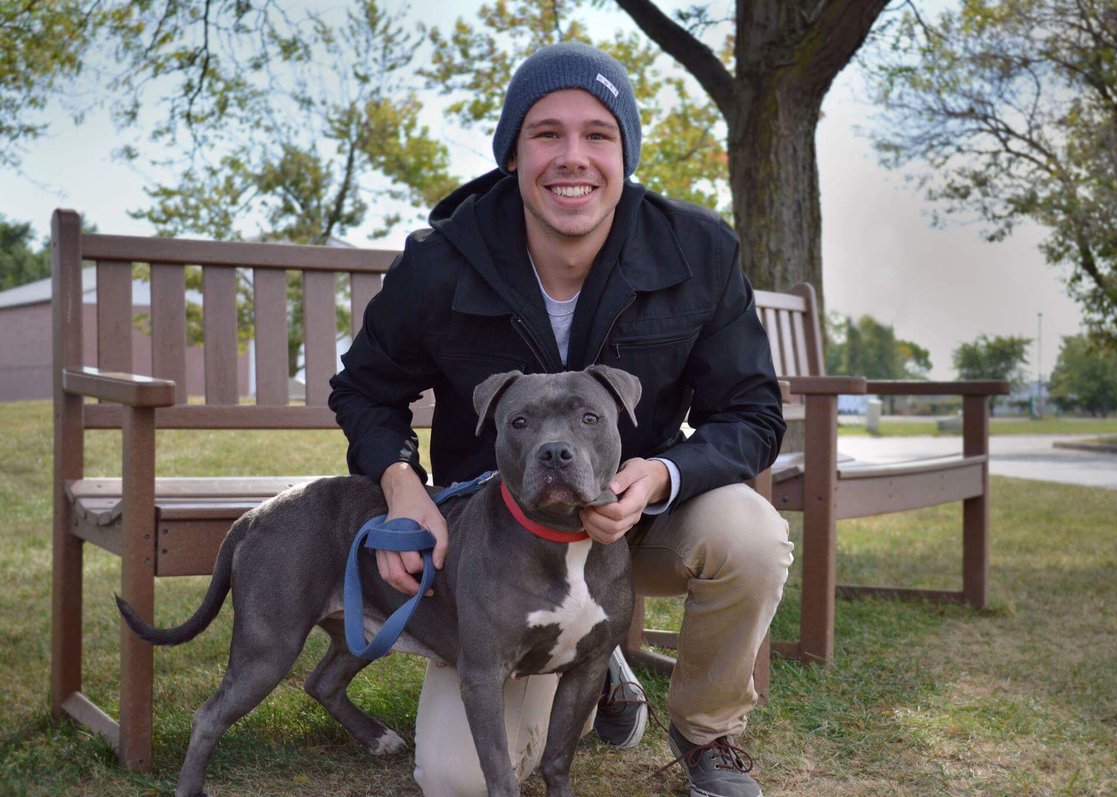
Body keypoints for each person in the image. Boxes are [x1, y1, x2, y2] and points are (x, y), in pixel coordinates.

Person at [329, 41, 792, 797]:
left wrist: (661, 475)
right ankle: (595, 656)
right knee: (458, 781)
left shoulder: (697, 252)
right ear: (513, 153)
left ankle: (705, 729)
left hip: (635, 516)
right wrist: (401, 485)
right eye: (546, 133)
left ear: (625, 154)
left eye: (597, 135)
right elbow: (365, 391)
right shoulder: (443, 260)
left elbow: (751, 411)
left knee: (751, 534)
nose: (572, 157)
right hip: (507, 549)